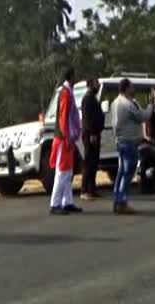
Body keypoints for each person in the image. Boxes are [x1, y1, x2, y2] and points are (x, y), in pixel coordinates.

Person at [111, 78, 154, 214]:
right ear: (126, 89)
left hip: (120, 141)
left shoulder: (115, 102)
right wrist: (151, 105)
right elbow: (143, 117)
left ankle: (117, 199)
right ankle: (122, 202)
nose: (134, 89)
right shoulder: (127, 104)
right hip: (129, 142)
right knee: (128, 173)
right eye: (132, 87)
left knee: (121, 171)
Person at [49, 68, 83, 215]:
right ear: (71, 77)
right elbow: (63, 118)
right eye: (75, 75)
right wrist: (67, 137)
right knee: (62, 172)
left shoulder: (68, 92)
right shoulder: (65, 93)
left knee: (68, 172)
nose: (77, 78)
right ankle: (55, 203)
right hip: (64, 138)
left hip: (67, 137)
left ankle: (67, 202)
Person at [80, 79, 104, 200]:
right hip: (90, 134)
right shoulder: (87, 99)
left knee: (94, 162)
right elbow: (87, 119)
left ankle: (92, 189)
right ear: (90, 85)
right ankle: (84, 190)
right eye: (96, 83)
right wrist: (92, 134)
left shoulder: (93, 98)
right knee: (88, 162)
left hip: (96, 133)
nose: (98, 86)